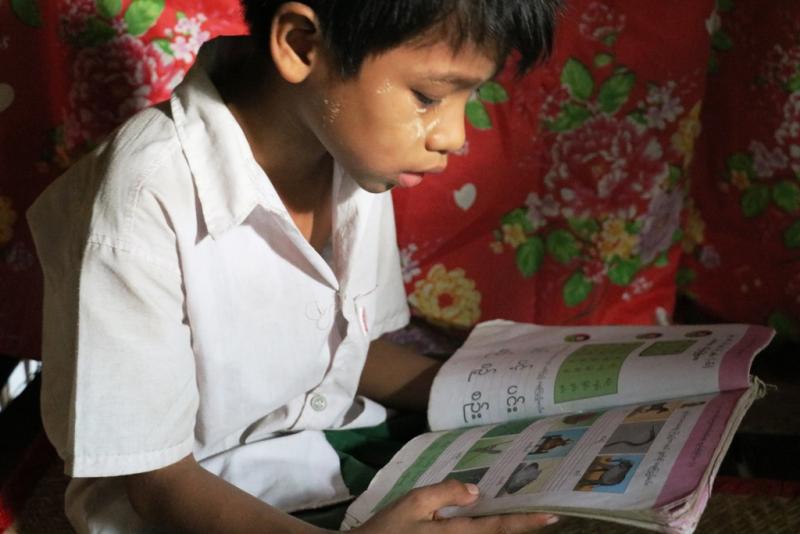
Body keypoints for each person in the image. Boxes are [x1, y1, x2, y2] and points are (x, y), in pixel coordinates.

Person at [27, 1, 561, 532]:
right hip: (197, 500)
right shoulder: (142, 198)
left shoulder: (352, 150)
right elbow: (156, 483)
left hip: (328, 447)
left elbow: (344, 352)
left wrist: (516, 396)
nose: (453, 135)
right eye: (428, 97)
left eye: (471, 95)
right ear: (301, 45)